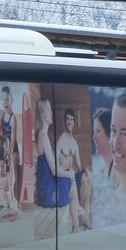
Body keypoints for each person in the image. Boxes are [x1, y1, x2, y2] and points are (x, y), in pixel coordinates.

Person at [33, 98, 86, 230]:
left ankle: (76, 224)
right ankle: (77, 222)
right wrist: (69, 173)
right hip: (46, 192)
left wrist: (69, 172)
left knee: (70, 180)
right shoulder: (43, 137)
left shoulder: (43, 135)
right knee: (71, 182)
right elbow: (54, 171)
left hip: (46, 185)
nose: (51, 112)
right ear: (42, 114)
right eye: (48, 110)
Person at [0, 86, 22, 208]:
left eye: (7, 100)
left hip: (13, 150)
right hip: (5, 149)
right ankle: (4, 199)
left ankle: (16, 200)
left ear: (11, 100)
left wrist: (9, 153)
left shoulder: (13, 117)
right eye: (3, 100)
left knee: (13, 174)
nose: (5, 102)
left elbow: (13, 138)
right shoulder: (2, 115)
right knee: (2, 172)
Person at [92, 107, 113, 182]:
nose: (94, 137)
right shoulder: (102, 171)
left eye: (98, 131)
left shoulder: (118, 172)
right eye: (94, 132)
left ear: (109, 135)